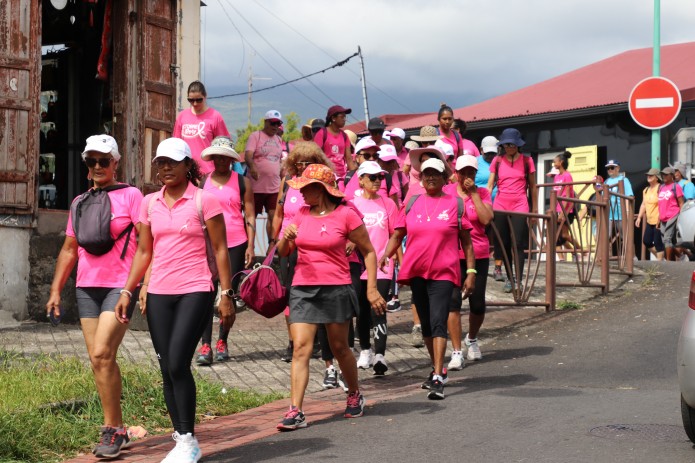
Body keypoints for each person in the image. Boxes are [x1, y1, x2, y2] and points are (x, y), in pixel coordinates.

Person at [114, 138, 234, 463]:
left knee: (179, 362)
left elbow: (221, 249)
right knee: (166, 367)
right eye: (161, 162)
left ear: (187, 166)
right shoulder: (149, 203)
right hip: (159, 295)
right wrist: (128, 289)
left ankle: (189, 440)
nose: (165, 167)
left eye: (172, 162)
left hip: (195, 289)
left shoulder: (204, 201)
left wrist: (226, 293)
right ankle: (181, 438)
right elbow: (143, 251)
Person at [46, 135, 143, 459]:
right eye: (92, 161)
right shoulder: (79, 202)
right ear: (87, 166)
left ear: (115, 162)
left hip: (120, 286)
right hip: (87, 287)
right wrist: (56, 290)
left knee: (102, 353)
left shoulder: (131, 196)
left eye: (104, 160)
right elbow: (70, 249)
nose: (98, 167)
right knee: (101, 360)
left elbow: (147, 246)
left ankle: (112, 429)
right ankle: (115, 427)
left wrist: (140, 285)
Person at [276, 163, 386, 430]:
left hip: (336, 287)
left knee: (340, 348)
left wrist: (371, 289)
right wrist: (286, 238)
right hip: (303, 288)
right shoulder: (300, 214)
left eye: (305, 188)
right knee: (301, 347)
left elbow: (369, 251)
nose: (300, 193)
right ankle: (296, 410)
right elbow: (283, 252)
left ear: (321, 189)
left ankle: (354, 394)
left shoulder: (346, 215)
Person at [380, 158, 475, 400]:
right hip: (417, 272)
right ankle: (437, 369)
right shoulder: (411, 203)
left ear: (445, 178)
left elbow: (466, 242)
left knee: (438, 321)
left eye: (435, 174)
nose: (430, 177)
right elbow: (397, 233)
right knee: (425, 322)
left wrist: (471, 272)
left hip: (444, 272)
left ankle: (437, 376)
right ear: (421, 178)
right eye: (426, 174)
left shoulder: (456, 203)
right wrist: (385, 255)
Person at [271, 143, 339, 389]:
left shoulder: (322, 185)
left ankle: (323, 348)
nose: (302, 167)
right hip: (289, 242)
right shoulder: (288, 181)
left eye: (308, 162)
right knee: (291, 293)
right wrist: (274, 240)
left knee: (316, 296)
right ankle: (295, 342)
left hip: (316, 242)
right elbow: (278, 213)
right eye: (298, 163)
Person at [195, 137, 255, 366]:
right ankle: (205, 343)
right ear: (212, 159)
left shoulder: (242, 182)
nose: (221, 160)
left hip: (235, 242)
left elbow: (249, 214)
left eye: (225, 157)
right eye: (217, 156)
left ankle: (222, 340)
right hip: (208, 243)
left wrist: (250, 245)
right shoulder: (204, 182)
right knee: (205, 292)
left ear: (231, 159)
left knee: (227, 294)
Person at [443, 155, 493, 370]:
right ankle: (456, 351)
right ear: (456, 172)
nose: (467, 176)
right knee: (453, 303)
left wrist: (474, 195)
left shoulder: (482, 193)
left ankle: (471, 338)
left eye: (471, 172)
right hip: (452, 255)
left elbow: (485, 219)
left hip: (478, 253)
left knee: (478, 304)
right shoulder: (447, 192)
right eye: (463, 172)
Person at [352, 161, 399, 375]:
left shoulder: (388, 204)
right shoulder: (352, 204)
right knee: (361, 312)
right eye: (372, 177)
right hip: (357, 267)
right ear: (360, 179)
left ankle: (380, 356)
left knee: (379, 309)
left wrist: (388, 255)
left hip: (381, 266)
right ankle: (365, 350)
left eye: (379, 177)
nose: (377, 181)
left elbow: (395, 234)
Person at [487, 128, 538, 293]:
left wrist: (535, 210)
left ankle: (518, 280)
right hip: (500, 204)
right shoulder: (497, 160)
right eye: (506, 144)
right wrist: (485, 204)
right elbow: (490, 185)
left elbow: (533, 187)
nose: (509, 147)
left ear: (518, 145)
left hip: (520, 204)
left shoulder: (527, 161)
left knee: (517, 243)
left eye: (512, 144)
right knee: (503, 244)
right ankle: (509, 278)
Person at [173, 80, 230, 175]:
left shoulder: (215, 117)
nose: (195, 103)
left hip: (208, 172)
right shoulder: (182, 116)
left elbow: (224, 146)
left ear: (205, 96)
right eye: (191, 100)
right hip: (186, 172)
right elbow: (176, 144)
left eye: (199, 100)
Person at [244, 110, 284, 244]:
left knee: (274, 216)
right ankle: (249, 247)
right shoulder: (256, 136)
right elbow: (248, 156)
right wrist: (253, 167)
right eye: (273, 123)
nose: (275, 126)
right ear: (266, 122)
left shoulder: (279, 139)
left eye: (278, 123)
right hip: (255, 187)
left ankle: (272, 247)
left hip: (274, 186)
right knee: (251, 217)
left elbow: (279, 161)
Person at [552, 151, 582, 257]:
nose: (553, 164)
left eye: (555, 162)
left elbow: (568, 196)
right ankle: (576, 254)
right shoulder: (556, 177)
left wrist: (562, 213)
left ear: (561, 162)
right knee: (559, 237)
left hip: (566, 209)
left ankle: (582, 252)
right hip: (557, 209)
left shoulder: (567, 176)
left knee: (564, 235)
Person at [313, 105, 355, 178]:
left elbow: (349, 159)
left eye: (345, 117)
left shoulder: (344, 136)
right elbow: (316, 157)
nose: (344, 119)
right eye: (342, 117)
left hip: (342, 176)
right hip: (325, 176)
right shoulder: (321, 134)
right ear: (333, 118)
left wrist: (354, 176)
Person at [635, 168, 664, 261]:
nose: (648, 177)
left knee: (658, 242)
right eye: (648, 175)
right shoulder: (646, 190)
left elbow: (662, 204)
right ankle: (661, 259)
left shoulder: (660, 188)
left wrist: (660, 218)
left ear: (656, 177)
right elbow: (643, 204)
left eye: (651, 175)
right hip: (649, 221)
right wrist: (639, 217)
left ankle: (660, 264)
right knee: (646, 241)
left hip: (658, 220)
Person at [603, 159, 634, 247]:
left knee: (626, 237)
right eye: (608, 168)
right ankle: (605, 259)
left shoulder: (624, 179)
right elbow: (602, 197)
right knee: (606, 236)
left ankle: (633, 257)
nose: (609, 170)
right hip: (609, 214)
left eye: (612, 168)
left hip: (621, 213)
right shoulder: (606, 181)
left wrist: (627, 212)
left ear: (618, 168)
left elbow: (629, 196)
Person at [658, 166, 685, 261]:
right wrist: (658, 218)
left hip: (673, 214)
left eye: (666, 174)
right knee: (666, 241)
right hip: (663, 217)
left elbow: (681, 202)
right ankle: (681, 255)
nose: (663, 176)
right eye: (662, 174)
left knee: (667, 239)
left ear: (671, 176)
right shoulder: (661, 187)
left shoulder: (676, 186)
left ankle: (668, 262)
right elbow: (660, 203)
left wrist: (681, 217)